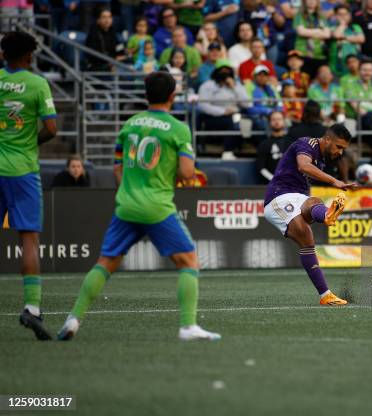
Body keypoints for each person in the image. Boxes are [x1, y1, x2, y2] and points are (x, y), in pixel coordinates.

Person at [57, 72, 220, 342]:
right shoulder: (178, 128)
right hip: (156, 206)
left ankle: (73, 318)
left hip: (126, 205)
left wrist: (129, 189)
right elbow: (187, 171)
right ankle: (188, 326)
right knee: (189, 261)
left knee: (105, 263)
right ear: (172, 96)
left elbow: (117, 168)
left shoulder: (129, 124)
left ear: (146, 95)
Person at [0, 32, 57, 341]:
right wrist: (27, 144)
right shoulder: (37, 84)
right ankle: (32, 308)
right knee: (29, 239)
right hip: (22, 170)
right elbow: (51, 128)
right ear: (29, 56)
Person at [263, 124, 356, 305]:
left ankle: (326, 296)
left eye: (343, 149)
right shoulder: (307, 144)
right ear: (327, 139)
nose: (340, 152)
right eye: (339, 147)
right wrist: (335, 181)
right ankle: (327, 215)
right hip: (278, 197)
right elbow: (303, 166)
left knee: (313, 208)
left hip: (297, 197)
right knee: (307, 230)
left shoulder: (321, 159)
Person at [197, 60, 252, 158]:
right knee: (233, 122)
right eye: (222, 71)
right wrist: (223, 111)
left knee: (251, 121)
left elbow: (247, 104)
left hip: (236, 115)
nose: (225, 74)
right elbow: (203, 106)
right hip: (213, 117)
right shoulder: (208, 85)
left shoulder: (237, 85)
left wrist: (234, 87)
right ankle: (228, 151)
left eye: (227, 71)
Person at [345, 58, 372, 149]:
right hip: (357, 120)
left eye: (370, 70)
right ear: (359, 71)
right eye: (364, 70)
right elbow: (357, 109)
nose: (367, 73)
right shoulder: (351, 86)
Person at [293, 0, 332, 78]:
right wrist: (319, 31)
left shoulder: (322, 17)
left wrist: (309, 32)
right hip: (303, 53)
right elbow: (301, 32)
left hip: (320, 54)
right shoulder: (299, 15)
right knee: (304, 79)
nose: (311, 1)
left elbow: (327, 34)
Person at [329, 4, 365, 76]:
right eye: (340, 14)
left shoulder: (355, 27)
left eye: (345, 14)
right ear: (335, 16)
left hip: (353, 67)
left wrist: (344, 37)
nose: (343, 16)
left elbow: (361, 39)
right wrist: (343, 24)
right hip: (336, 68)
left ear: (349, 15)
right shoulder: (331, 27)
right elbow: (336, 35)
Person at [246, 65, 283, 134]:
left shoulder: (271, 87)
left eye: (264, 75)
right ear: (254, 77)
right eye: (259, 75)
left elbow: (280, 104)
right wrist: (267, 111)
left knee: (285, 121)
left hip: (273, 114)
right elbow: (249, 108)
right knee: (264, 122)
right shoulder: (249, 87)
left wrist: (276, 112)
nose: (262, 78)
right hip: (258, 116)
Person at [257, 111, 289, 182]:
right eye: (273, 120)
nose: (277, 122)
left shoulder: (291, 142)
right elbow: (261, 168)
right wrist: (273, 179)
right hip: (270, 185)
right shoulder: (264, 144)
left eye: (279, 119)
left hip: (290, 184)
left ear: (284, 121)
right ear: (269, 122)